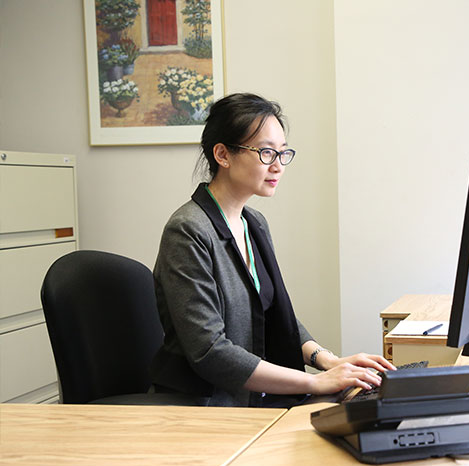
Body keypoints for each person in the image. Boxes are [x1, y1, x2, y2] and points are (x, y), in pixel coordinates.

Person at [149, 93, 395, 407]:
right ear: (223, 155)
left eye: (282, 153)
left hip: (252, 396)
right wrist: (315, 382)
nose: (278, 166)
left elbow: (276, 316)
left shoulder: (254, 223)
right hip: (209, 404)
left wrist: (327, 361)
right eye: (266, 153)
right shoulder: (188, 230)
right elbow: (210, 351)